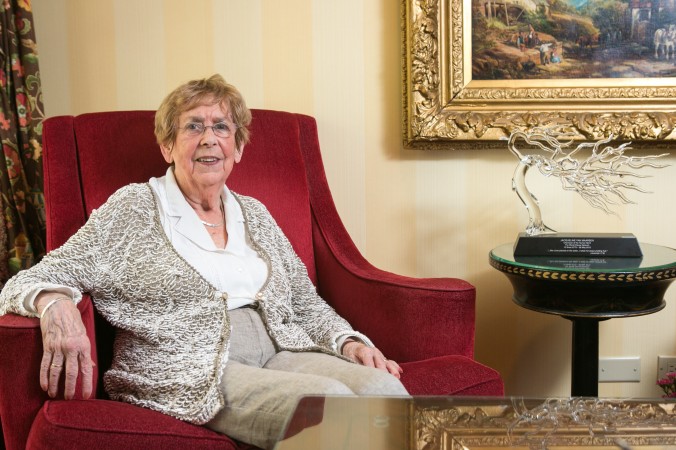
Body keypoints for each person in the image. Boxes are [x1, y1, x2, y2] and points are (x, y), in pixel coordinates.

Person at [0, 74, 408, 450]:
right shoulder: (134, 207)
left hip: (278, 347)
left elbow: (303, 301)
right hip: (188, 364)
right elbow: (38, 276)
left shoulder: (256, 213)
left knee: (387, 393)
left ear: (238, 147)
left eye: (221, 127)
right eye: (193, 126)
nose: (209, 138)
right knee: (329, 409)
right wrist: (56, 306)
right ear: (167, 146)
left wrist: (348, 341)